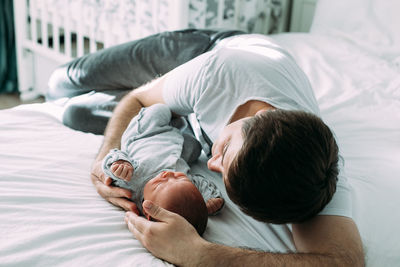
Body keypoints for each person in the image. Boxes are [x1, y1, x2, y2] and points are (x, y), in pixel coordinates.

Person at [91, 34, 364, 266]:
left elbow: (343, 262)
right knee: (67, 82)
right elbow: (138, 99)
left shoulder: (311, 176)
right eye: (224, 151)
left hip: (193, 102)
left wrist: (202, 255)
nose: (210, 163)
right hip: (210, 48)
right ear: (256, 117)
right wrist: (105, 155)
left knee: (80, 112)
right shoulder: (217, 75)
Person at [102, 103, 224, 235]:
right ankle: (178, 122)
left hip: (147, 135)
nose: (169, 175)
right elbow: (201, 183)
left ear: (148, 210)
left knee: (159, 110)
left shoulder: (130, 183)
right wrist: (211, 199)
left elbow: (112, 157)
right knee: (195, 147)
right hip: (176, 147)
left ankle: (176, 123)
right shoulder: (185, 185)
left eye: (159, 184)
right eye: (180, 177)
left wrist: (119, 164)